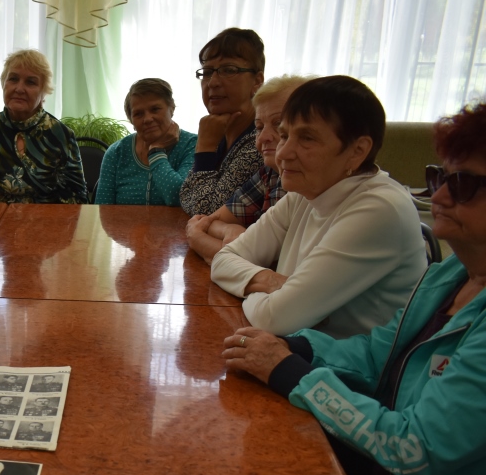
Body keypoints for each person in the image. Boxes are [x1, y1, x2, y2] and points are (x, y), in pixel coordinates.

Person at [221, 101, 486, 475]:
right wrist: (301, 348)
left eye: (463, 185)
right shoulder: (453, 275)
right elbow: (376, 349)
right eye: (440, 178)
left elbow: (412, 447)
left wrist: (292, 372)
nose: (437, 196)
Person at [210, 76, 426, 338]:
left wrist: (251, 287)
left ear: (357, 151)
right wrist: (270, 281)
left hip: (355, 373)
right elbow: (222, 261)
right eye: (285, 135)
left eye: (307, 138)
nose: (283, 152)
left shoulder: (379, 209)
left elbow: (274, 319)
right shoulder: (307, 190)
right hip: (307, 356)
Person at [186, 75, 311, 264]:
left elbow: (259, 263)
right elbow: (208, 218)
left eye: (278, 125)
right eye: (259, 127)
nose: (262, 138)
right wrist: (229, 230)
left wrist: (199, 241)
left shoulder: (310, 182)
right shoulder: (271, 172)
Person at [0, 49, 88, 204]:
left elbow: (77, 199)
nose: (19, 88)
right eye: (13, 79)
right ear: (3, 84)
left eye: (30, 82)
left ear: (44, 91)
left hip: (46, 225)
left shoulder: (61, 134)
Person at [179, 28, 265, 215]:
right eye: (207, 72)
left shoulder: (261, 141)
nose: (212, 83)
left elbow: (206, 211)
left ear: (257, 81)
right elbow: (185, 195)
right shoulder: (218, 131)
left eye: (228, 70)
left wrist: (205, 146)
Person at [95, 78, 197, 205]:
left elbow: (180, 198)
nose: (148, 119)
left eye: (155, 109)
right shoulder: (116, 153)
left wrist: (156, 152)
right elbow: (102, 209)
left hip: (178, 225)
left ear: (172, 108)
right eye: (138, 114)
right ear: (131, 120)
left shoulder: (192, 145)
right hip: (125, 225)